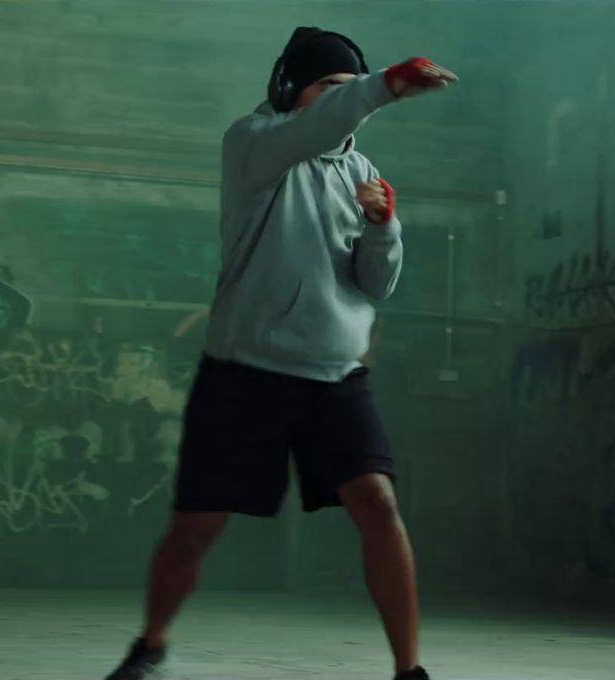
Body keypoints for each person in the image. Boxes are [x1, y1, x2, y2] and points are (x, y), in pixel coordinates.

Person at [101, 26, 458, 680]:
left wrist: (384, 228)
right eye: (326, 90)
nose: (337, 106)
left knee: (378, 506)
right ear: (290, 91)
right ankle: (150, 644)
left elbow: (375, 284)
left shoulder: (363, 174)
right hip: (245, 373)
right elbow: (313, 132)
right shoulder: (254, 145)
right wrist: (387, 85)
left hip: (336, 378)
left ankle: (409, 671)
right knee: (196, 528)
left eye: (347, 92)